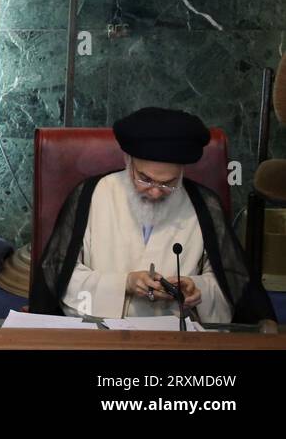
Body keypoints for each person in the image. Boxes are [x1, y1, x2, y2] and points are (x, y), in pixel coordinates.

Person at [29, 107, 273, 324]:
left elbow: (232, 284)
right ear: (128, 161)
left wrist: (196, 288)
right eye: (144, 179)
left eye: (168, 183)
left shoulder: (203, 204)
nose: (156, 192)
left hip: (177, 340)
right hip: (100, 334)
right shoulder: (92, 195)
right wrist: (124, 283)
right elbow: (58, 275)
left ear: (182, 172)